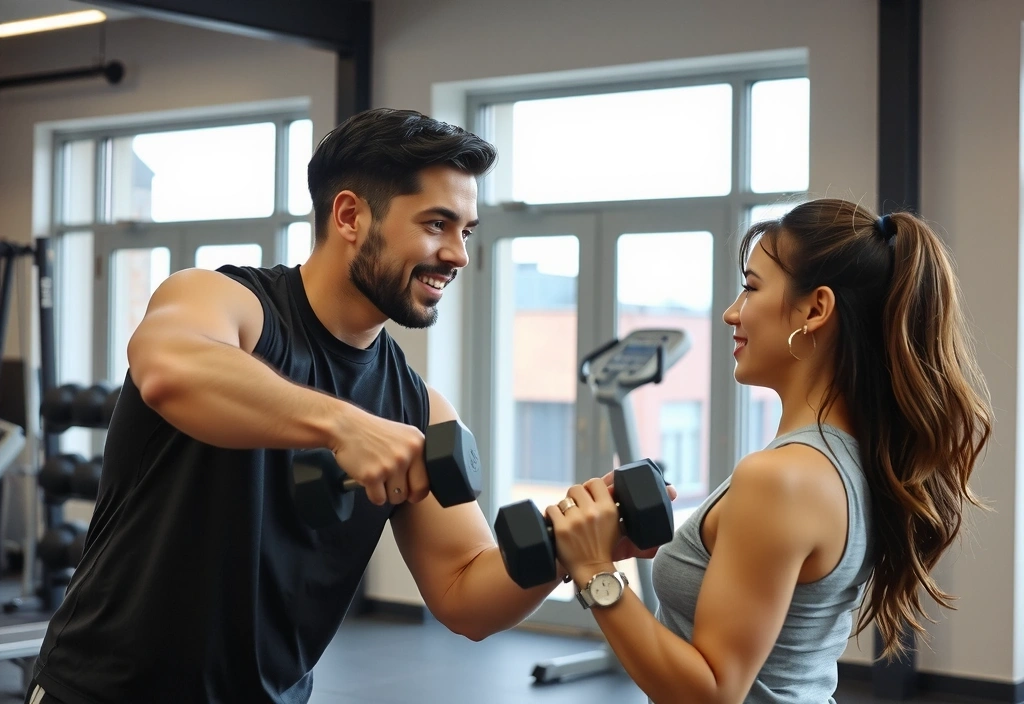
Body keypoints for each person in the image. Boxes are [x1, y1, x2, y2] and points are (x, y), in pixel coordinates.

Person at [24, 108, 615, 704]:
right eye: (437, 224)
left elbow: (465, 595)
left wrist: (567, 545)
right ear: (351, 216)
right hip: (102, 692)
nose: (459, 254)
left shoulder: (418, 409)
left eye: (467, 231)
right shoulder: (225, 302)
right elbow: (169, 371)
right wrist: (342, 426)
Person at [547, 198, 993, 704]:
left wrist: (595, 572)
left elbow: (713, 694)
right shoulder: (846, 459)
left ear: (816, 309)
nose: (731, 312)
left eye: (752, 287)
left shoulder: (784, 477)